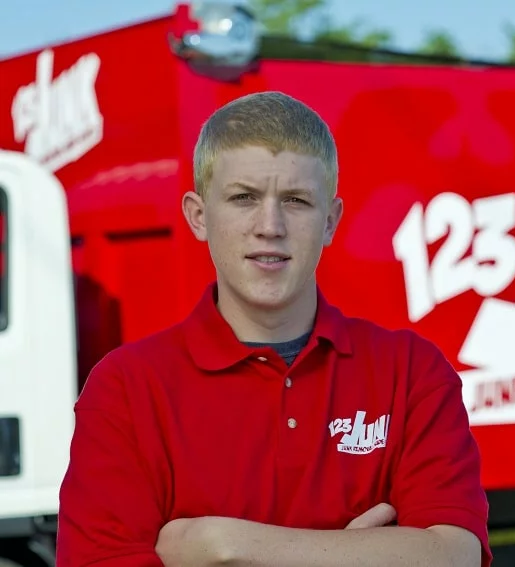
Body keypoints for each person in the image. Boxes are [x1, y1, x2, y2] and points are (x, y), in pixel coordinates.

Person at [56, 91, 491, 567]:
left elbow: (454, 556)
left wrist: (222, 547)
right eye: (244, 198)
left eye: (296, 201)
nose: (271, 225)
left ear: (330, 222)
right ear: (198, 216)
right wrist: (359, 553)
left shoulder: (411, 373)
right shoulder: (126, 389)